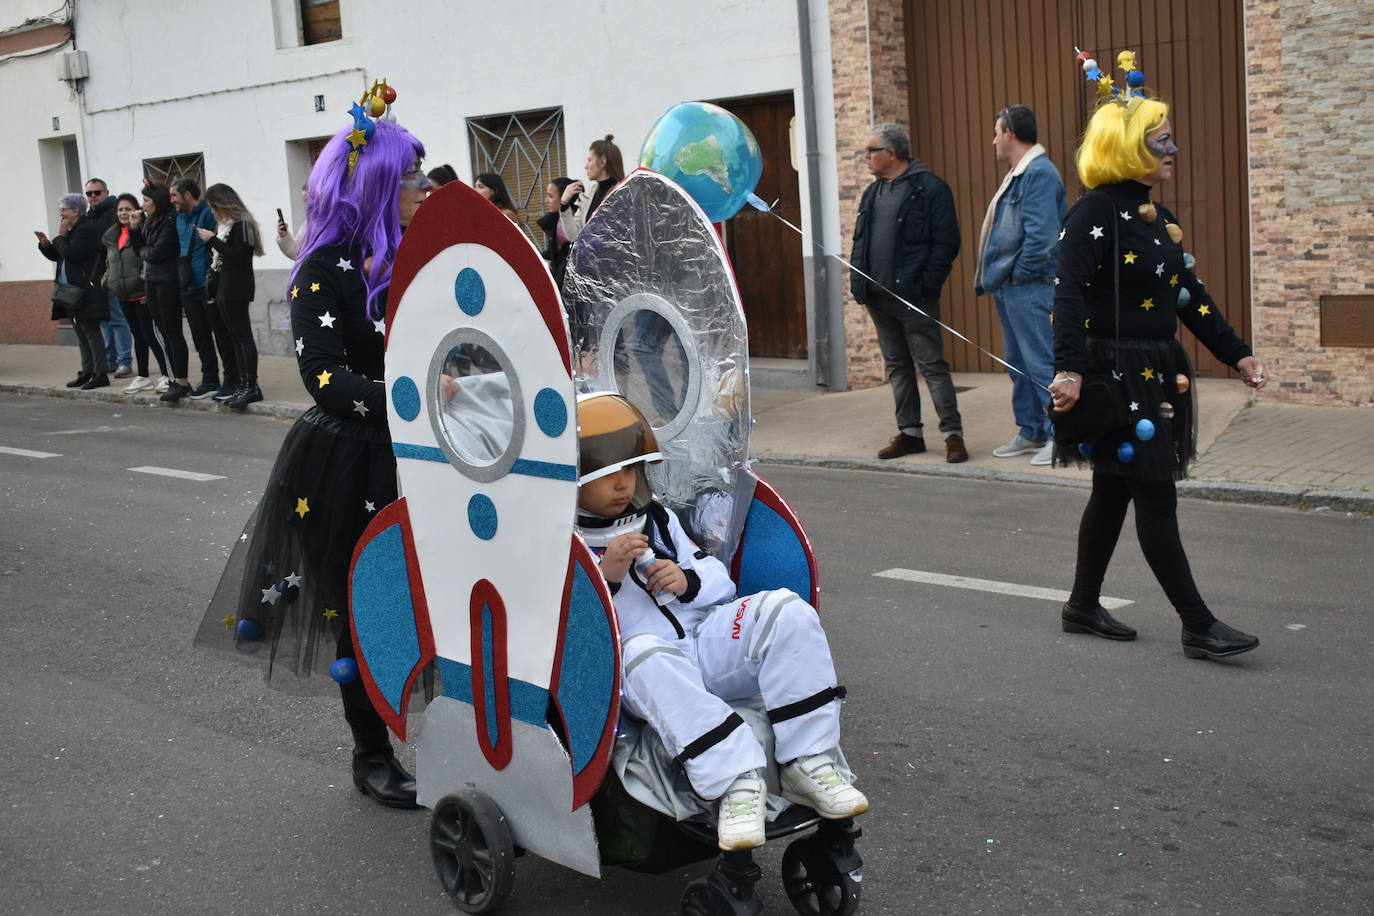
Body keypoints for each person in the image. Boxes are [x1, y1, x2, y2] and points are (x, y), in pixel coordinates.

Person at [197, 100, 427, 807]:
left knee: (438, 605)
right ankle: (371, 754)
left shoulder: (422, 258)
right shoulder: (323, 269)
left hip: (426, 457)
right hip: (350, 464)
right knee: (362, 613)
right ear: (376, 187)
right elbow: (324, 379)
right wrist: (415, 399)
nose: (426, 187)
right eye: (412, 177)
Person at [576, 393, 868, 851]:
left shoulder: (658, 519)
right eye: (606, 473)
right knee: (643, 650)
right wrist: (605, 577)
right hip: (646, 672)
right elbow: (573, 632)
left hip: (701, 643)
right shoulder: (569, 545)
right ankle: (734, 782)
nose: (623, 484)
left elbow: (719, 580)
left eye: (630, 470)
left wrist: (686, 580)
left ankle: (809, 761)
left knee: (786, 610)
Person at [1050, 87, 1266, 660]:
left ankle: (1082, 605)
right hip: (1114, 371)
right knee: (1154, 493)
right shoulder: (1093, 212)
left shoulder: (1158, 218)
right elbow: (1067, 294)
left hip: (1154, 370)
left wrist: (1236, 353)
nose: (1173, 149)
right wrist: (1068, 369)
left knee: (1112, 490)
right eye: (1160, 141)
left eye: (1169, 139)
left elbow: (1189, 295)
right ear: (1127, 149)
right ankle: (1197, 624)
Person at [850, 122, 967, 463]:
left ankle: (953, 435)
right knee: (898, 367)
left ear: (891, 153)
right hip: (878, 297)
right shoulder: (872, 193)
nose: (866, 156)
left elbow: (946, 243)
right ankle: (910, 434)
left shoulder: (930, 188)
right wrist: (859, 283)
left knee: (932, 365)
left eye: (871, 150)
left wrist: (926, 285)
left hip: (914, 297)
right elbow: (861, 241)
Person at [975, 105, 1066, 468]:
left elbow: (1042, 237)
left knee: (1040, 362)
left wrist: (1020, 274)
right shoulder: (1020, 172)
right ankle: (1032, 431)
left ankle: (1059, 436)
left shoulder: (1038, 173)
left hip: (1029, 285)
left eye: (997, 132)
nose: (994, 140)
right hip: (1013, 286)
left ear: (1010, 134)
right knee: (1017, 363)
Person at [198, 183, 266, 408]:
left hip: (237, 286)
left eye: (214, 206)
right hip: (224, 285)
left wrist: (212, 239)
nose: (213, 211)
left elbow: (237, 256)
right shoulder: (225, 226)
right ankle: (242, 384)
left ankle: (251, 386)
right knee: (234, 338)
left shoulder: (242, 225)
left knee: (242, 337)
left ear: (223, 203)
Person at [172, 178, 238, 400]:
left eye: (174, 195)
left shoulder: (208, 214)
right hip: (188, 285)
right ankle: (210, 379)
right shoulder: (179, 217)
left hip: (208, 283)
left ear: (187, 195)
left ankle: (232, 380)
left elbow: (220, 243)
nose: (172, 200)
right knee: (200, 337)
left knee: (221, 335)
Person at [37, 192, 111, 389]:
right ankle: (87, 371)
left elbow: (71, 253)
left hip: (86, 290)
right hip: (71, 291)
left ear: (76, 210)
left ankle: (100, 373)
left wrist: (60, 237)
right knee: (80, 332)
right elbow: (60, 256)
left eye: (64, 210)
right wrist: (46, 245)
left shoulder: (86, 229)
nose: (61, 214)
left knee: (91, 332)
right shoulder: (73, 230)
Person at [101, 193, 169, 392]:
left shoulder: (143, 229)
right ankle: (143, 377)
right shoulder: (112, 235)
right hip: (123, 293)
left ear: (136, 211)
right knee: (138, 336)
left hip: (142, 291)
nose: (124, 213)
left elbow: (147, 254)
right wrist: (107, 281)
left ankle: (167, 374)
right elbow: (109, 262)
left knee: (150, 335)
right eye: (120, 209)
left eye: (128, 209)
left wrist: (143, 275)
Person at [133, 183, 193, 401]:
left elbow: (156, 253)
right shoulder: (151, 222)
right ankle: (174, 378)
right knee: (163, 330)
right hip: (152, 281)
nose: (144, 205)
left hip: (167, 282)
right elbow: (140, 249)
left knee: (172, 331)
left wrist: (144, 250)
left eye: (147, 201)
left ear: (157, 201)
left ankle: (181, 381)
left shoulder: (170, 221)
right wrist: (134, 229)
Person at [82, 180, 133, 378]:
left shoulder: (113, 212)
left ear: (106, 192)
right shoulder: (90, 215)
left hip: (114, 274)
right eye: (89, 193)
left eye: (97, 192)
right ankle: (110, 360)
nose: (93, 196)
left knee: (117, 320)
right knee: (105, 321)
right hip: (97, 276)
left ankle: (124, 361)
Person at [558, 135, 623, 244]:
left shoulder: (622, 194)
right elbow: (574, 236)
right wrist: (564, 204)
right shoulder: (589, 195)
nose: (586, 166)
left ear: (602, 162)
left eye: (589, 160)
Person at [537, 177, 573, 288]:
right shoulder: (553, 221)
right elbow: (553, 252)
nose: (546, 201)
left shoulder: (575, 220)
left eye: (550, 196)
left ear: (564, 197)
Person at [276, 184, 307, 260]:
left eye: (309, 201)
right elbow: (298, 253)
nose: (306, 206)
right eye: (305, 202)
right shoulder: (308, 223)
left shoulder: (333, 222)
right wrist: (284, 236)